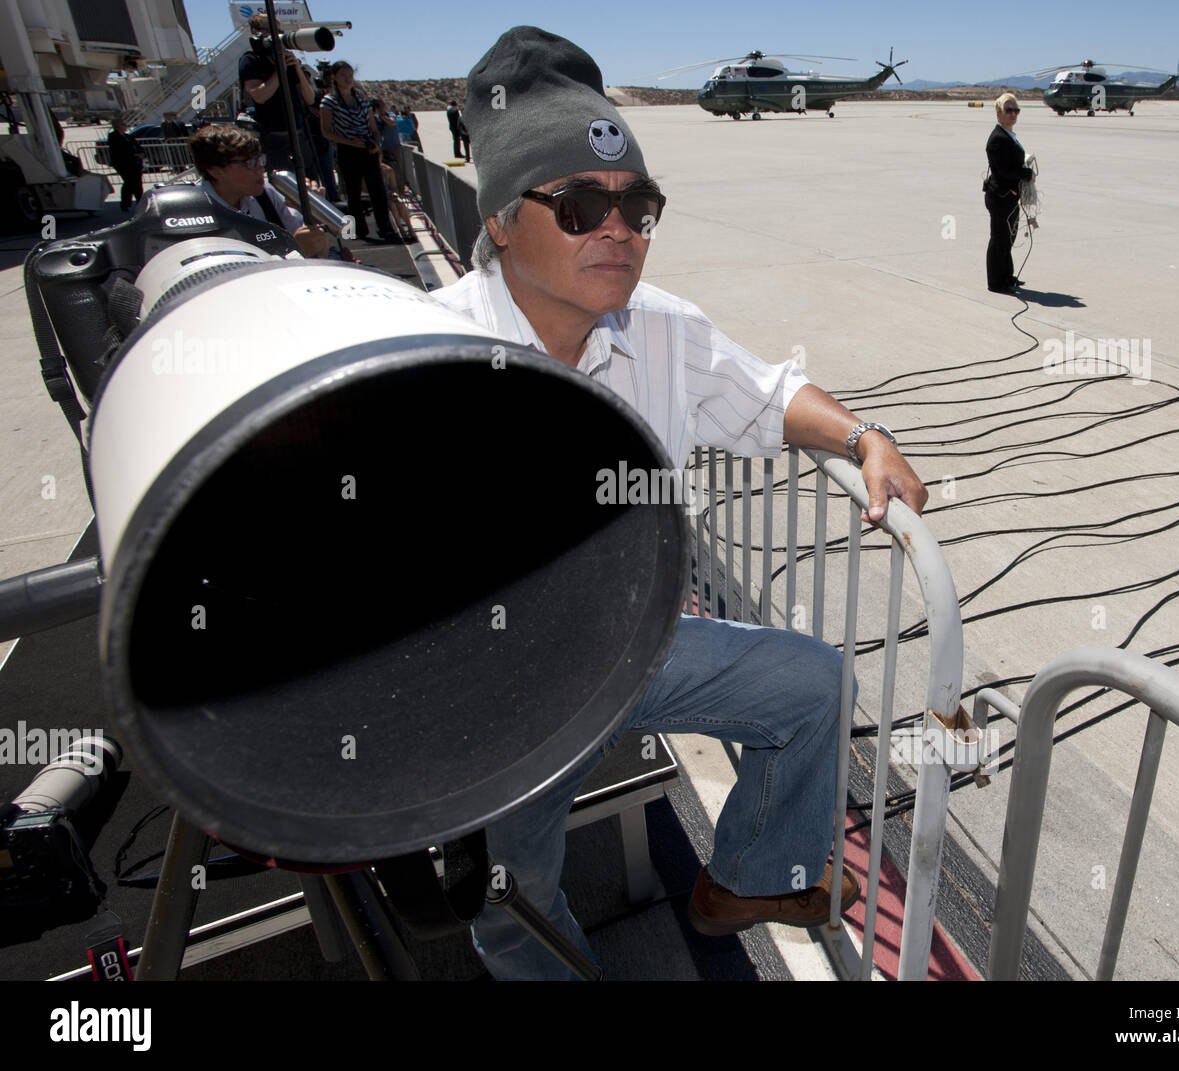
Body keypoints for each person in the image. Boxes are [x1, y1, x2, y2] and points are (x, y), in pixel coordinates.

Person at [427, 25, 928, 981]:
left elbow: (772, 394)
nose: (618, 228)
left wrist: (865, 438)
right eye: (579, 205)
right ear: (498, 218)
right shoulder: (419, 360)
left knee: (811, 685)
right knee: (512, 902)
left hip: (632, 651)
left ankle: (743, 877)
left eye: (638, 205)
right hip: (503, 703)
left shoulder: (662, 330)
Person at [188, 124, 328, 258]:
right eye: (248, 164)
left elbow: (318, 252)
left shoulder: (266, 194)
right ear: (215, 171)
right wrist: (294, 250)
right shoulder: (193, 213)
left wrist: (310, 212)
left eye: (259, 160)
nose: (260, 169)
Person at [319, 62, 400, 242]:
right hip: (347, 151)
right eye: (343, 75)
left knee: (378, 190)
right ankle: (358, 231)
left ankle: (385, 228)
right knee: (353, 192)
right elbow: (326, 131)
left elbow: (372, 125)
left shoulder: (361, 99)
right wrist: (350, 141)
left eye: (350, 74)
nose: (348, 78)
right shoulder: (329, 101)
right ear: (334, 77)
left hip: (367, 149)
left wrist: (376, 142)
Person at [238, 11, 317, 176]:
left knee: (312, 185)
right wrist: (279, 70)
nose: (278, 35)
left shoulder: (288, 60)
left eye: (279, 31)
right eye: (271, 30)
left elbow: (310, 99)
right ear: (256, 32)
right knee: (285, 189)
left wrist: (296, 68)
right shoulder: (251, 60)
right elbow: (259, 96)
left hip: (299, 134)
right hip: (272, 137)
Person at [984, 92, 1034, 294]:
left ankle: (1007, 276)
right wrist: (1027, 173)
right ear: (998, 113)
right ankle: (996, 282)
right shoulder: (997, 139)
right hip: (1000, 196)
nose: (1013, 114)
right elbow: (1003, 170)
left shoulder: (1008, 135)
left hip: (1011, 195)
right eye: (1009, 110)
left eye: (1016, 110)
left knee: (1009, 238)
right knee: (999, 239)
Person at [107, 117, 144, 213]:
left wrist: (141, 153)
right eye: (123, 125)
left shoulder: (128, 137)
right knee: (129, 183)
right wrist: (134, 154)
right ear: (118, 126)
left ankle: (140, 202)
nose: (125, 126)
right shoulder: (113, 137)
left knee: (137, 183)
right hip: (123, 164)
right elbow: (119, 150)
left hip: (134, 163)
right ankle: (125, 203)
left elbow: (137, 146)